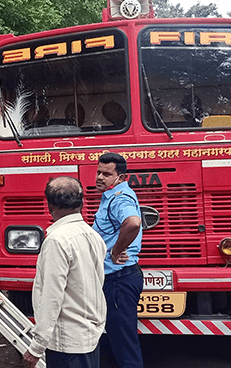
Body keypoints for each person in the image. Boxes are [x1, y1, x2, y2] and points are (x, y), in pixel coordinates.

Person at [22, 176, 107, 368]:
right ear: (82, 203)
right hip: (89, 337)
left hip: (67, 343)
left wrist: (36, 347)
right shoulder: (93, 235)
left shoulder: (57, 241)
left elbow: (52, 297)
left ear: (50, 206)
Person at [93, 152, 143, 368]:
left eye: (107, 174)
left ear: (122, 177)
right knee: (116, 341)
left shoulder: (120, 197)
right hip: (115, 278)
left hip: (118, 280)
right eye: (98, 172)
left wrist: (116, 251)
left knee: (124, 347)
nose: (100, 177)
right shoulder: (111, 196)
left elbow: (132, 223)